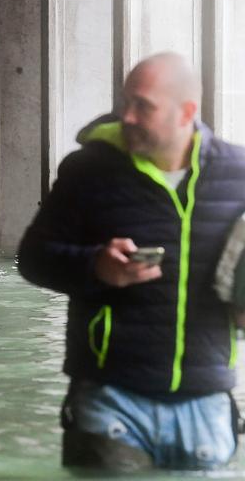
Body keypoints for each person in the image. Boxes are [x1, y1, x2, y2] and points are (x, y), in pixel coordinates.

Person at [17, 53, 245, 472]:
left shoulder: (238, 175)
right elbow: (32, 259)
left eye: (144, 106)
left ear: (187, 112)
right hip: (110, 400)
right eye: (126, 103)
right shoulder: (87, 172)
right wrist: (95, 267)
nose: (129, 116)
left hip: (207, 404)